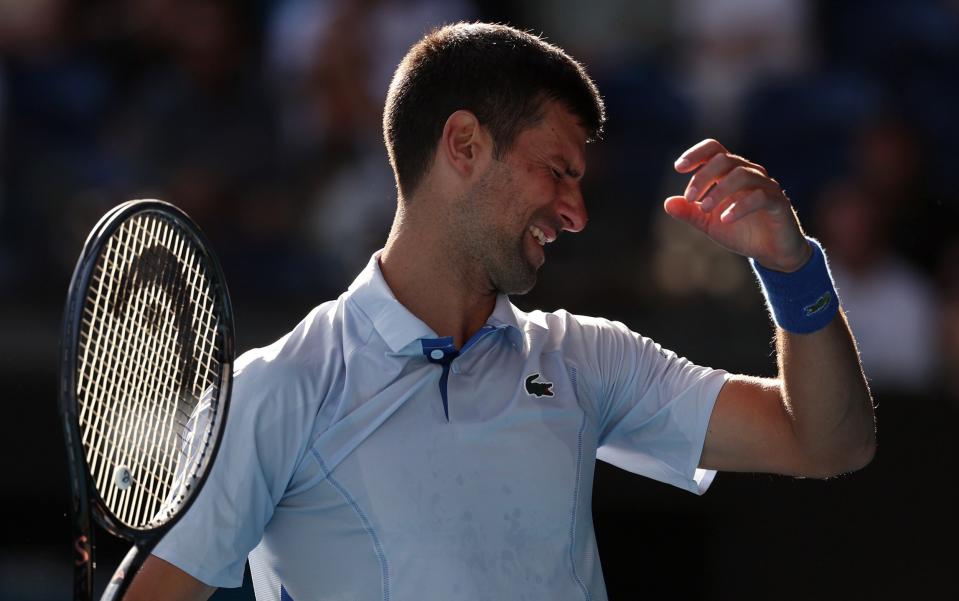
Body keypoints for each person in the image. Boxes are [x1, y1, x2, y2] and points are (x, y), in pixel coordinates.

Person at [126, 22, 875, 601]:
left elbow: (828, 442)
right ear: (462, 144)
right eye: (556, 171)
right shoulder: (276, 388)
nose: (576, 212)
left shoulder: (587, 360)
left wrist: (791, 269)